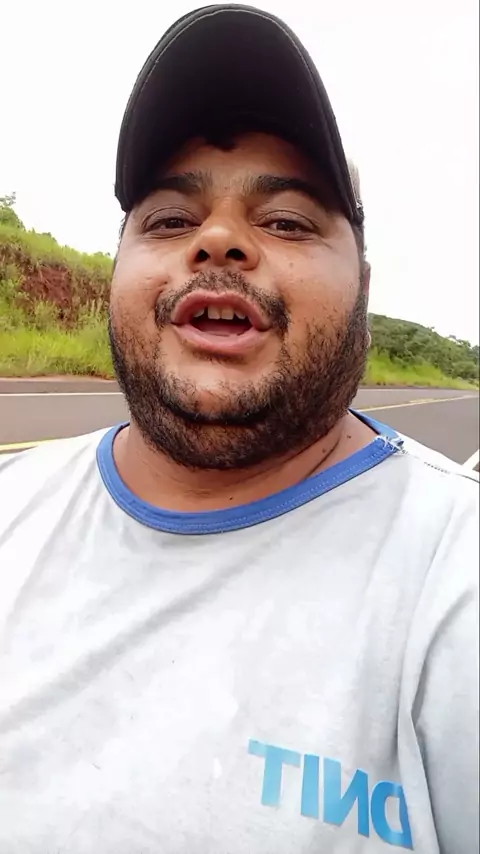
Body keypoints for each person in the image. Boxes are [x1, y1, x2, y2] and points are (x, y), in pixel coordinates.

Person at [0, 6, 478, 853]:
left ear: (363, 287)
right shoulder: (14, 506)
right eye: (168, 220)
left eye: (287, 220)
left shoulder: (453, 582)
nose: (218, 240)